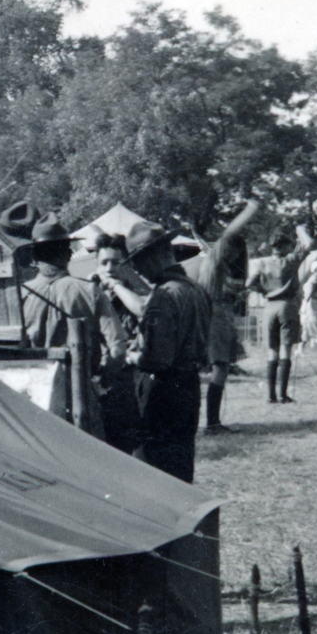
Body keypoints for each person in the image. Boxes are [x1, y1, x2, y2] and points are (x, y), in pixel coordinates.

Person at [20, 216, 127, 438]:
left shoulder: (19, 295)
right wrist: (101, 384)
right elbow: (117, 348)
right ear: (68, 254)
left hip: (32, 399)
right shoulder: (89, 292)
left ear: (34, 258)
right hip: (80, 399)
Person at [125, 220, 211, 483]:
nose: (137, 269)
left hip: (162, 391)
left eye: (139, 260)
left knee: (153, 469)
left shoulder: (163, 296)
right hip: (188, 387)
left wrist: (131, 356)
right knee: (181, 466)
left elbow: (157, 359)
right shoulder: (195, 289)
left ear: (155, 256)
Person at [185, 201, 260, 433]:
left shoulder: (217, 266)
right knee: (220, 369)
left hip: (218, 317)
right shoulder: (215, 259)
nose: (236, 256)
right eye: (235, 251)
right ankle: (213, 422)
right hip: (215, 318)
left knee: (219, 369)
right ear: (229, 248)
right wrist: (250, 211)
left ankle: (211, 421)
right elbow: (229, 233)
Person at [92, 233, 148, 452]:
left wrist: (115, 285)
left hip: (131, 379)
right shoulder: (92, 292)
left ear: (127, 264)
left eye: (116, 262)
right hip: (101, 379)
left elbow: (142, 309)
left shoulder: (137, 291)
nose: (109, 268)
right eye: (103, 263)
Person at [247, 225, 312, 403]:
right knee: (286, 349)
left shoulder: (262, 263)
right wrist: (300, 229)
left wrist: (265, 291)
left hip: (269, 307)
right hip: (287, 305)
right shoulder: (290, 260)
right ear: (283, 247)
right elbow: (309, 245)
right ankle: (283, 395)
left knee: (272, 351)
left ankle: (270, 395)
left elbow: (250, 283)